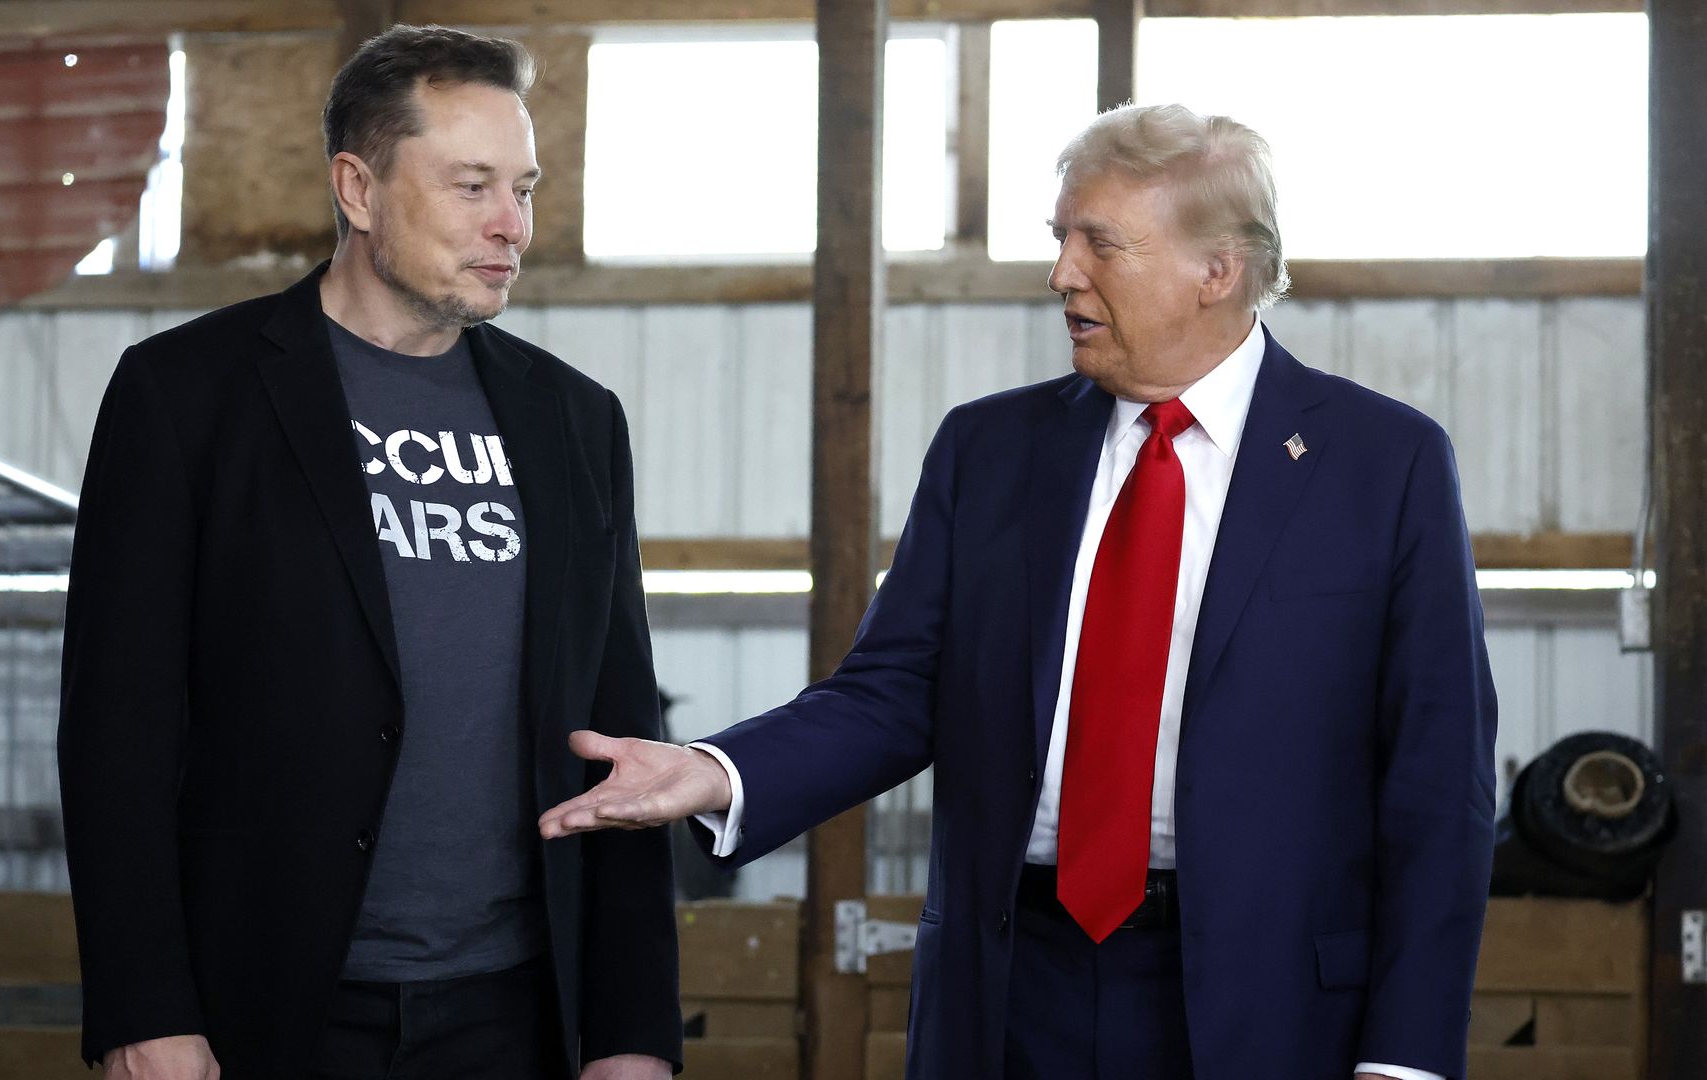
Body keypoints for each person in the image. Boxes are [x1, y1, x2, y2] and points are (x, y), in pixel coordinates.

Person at [541, 104, 1496, 1080]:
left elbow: (1436, 780)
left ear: (1217, 270)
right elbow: (894, 690)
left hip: (1270, 1004)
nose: (1062, 275)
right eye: (1060, 239)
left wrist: (1407, 1058)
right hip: (1007, 992)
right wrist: (716, 773)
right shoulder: (989, 450)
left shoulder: (1383, 464)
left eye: (1101, 245)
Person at [59, 24, 678, 1080]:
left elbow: (616, 726)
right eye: (472, 186)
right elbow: (117, 727)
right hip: (267, 1000)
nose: (511, 226)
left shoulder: (574, 419)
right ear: (358, 188)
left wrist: (631, 1032)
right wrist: (142, 1005)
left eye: (523, 189)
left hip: (514, 1009)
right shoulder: (187, 396)